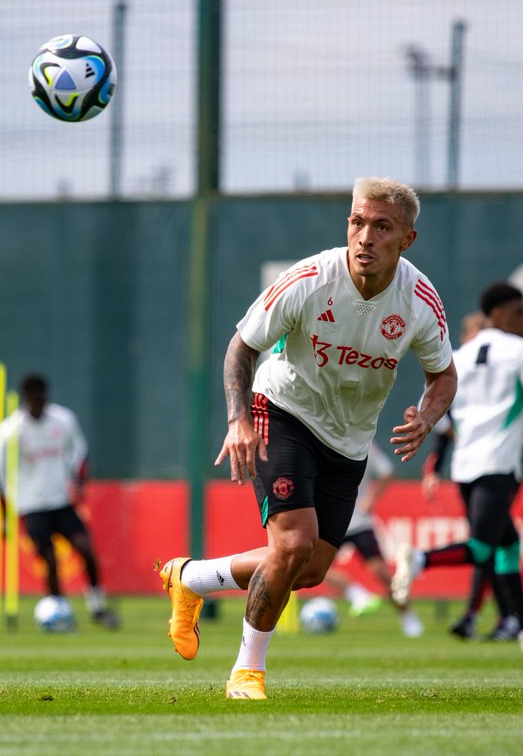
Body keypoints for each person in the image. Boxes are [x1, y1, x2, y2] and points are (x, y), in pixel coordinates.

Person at [156, 176, 456, 700]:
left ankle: (193, 577)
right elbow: (242, 347)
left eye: (381, 227)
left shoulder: (419, 302)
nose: (364, 237)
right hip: (283, 410)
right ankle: (246, 672)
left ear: (406, 240)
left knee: (311, 568)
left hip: (349, 442)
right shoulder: (311, 279)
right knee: (291, 544)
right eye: (357, 222)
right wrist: (238, 419)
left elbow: (443, 375)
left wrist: (428, 416)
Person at [392, 281, 523, 654]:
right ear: (497, 315)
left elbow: (436, 415)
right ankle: (419, 559)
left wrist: (421, 421)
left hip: (464, 468)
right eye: (519, 312)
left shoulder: (458, 356)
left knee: (507, 543)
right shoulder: (522, 351)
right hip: (498, 466)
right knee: (482, 547)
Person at [421, 311, 523, 641]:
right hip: (481, 468)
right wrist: (433, 467)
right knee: (487, 545)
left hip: (492, 467)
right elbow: (444, 421)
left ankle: (513, 623)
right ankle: (423, 562)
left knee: (498, 543)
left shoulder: (497, 370)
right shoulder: (459, 372)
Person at [0, 373, 119, 629]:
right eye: (33, 399)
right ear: (25, 399)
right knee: (48, 560)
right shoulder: (10, 430)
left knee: (86, 548)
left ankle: (97, 606)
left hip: (60, 500)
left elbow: (79, 453)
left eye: (42, 398)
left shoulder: (64, 420)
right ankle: (58, 612)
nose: (38, 403)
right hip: (31, 506)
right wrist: (6, 513)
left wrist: (78, 482)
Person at [320, 439, 424, 637]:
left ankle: (408, 616)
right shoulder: (321, 438)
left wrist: (372, 499)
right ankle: (357, 594)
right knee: (314, 569)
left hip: (360, 523)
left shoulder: (364, 441)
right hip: (332, 522)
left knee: (383, 574)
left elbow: (387, 472)